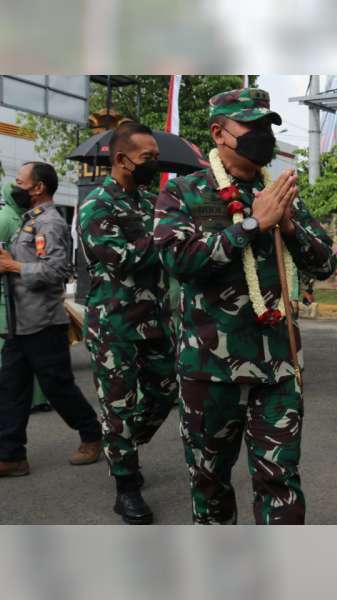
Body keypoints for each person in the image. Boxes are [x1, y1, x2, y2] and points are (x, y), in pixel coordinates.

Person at [153, 88, 337, 525]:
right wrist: (253, 224)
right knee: (209, 482)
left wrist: (288, 224)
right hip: (209, 368)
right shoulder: (184, 193)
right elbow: (179, 260)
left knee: (280, 479)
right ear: (219, 133)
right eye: (250, 128)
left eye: (267, 129)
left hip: (277, 367)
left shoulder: (280, 193)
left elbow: (325, 264)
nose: (262, 137)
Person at [78, 122, 178, 524]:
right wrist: (165, 238)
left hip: (154, 318)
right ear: (121, 160)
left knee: (166, 388)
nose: (154, 165)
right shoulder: (96, 207)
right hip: (113, 323)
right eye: (147, 159)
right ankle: (126, 485)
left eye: (155, 157)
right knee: (119, 404)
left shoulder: (150, 201)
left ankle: (119, 443)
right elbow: (122, 258)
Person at [0, 162, 102, 477]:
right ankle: (11, 455)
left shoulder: (51, 223)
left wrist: (14, 266)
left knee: (58, 388)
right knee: (10, 389)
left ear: (38, 187)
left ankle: (92, 434)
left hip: (44, 325)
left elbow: (57, 271)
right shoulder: (28, 222)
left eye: (19, 181)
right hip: (20, 323)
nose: (15, 186)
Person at [0, 182, 50, 414]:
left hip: (10, 293)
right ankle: (36, 398)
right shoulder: (27, 219)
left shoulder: (7, 218)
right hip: (29, 290)